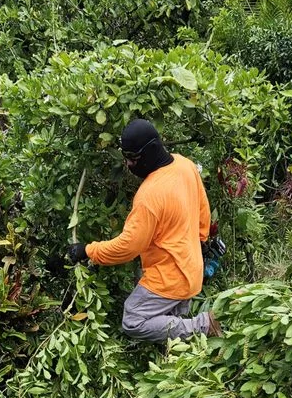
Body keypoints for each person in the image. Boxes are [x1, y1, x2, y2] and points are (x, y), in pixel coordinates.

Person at [67, 119, 221, 342]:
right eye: (126, 157)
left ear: (151, 150)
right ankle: (178, 354)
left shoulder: (150, 195)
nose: (129, 165)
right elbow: (203, 213)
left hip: (170, 279)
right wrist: (195, 247)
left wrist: (87, 251)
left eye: (133, 158)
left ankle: (204, 325)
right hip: (192, 269)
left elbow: (128, 248)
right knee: (169, 328)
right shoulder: (184, 165)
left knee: (133, 319)